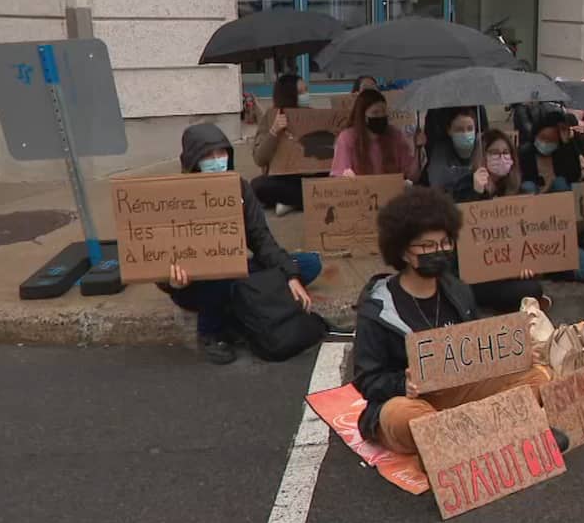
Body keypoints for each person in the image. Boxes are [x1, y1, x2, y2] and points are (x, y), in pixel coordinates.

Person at [351, 187, 555, 455]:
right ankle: (493, 430)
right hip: (414, 401)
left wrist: (509, 350)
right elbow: (367, 379)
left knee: (541, 377)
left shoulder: (458, 291)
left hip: (459, 393)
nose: (439, 251)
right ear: (402, 252)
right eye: (427, 246)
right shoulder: (377, 310)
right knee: (400, 417)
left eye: (445, 243)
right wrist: (403, 383)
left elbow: (477, 350)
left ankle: (452, 441)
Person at [162, 124, 321, 365]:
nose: (217, 161)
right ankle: (210, 333)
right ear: (193, 160)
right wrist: (172, 282)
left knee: (308, 264)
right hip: (196, 284)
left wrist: (290, 275)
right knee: (221, 272)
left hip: (233, 268)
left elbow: (261, 238)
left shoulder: (239, 188)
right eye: (208, 156)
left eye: (221, 153)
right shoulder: (175, 197)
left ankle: (239, 307)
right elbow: (156, 253)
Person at [454, 130, 548, 312]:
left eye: (506, 153)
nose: (501, 157)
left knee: (532, 285)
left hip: (506, 268)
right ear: (483, 156)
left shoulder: (517, 190)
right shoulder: (464, 185)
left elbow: (524, 235)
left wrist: (524, 262)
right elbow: (462, 233)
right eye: (494, 152)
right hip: (476, 273)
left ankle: (525, 303)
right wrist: (475, 193)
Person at [250, 74, 323, 216]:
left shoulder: (315, 115)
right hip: (284, 179)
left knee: (333, 182)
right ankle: (299, 201)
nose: (306, 95)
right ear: (290, 95)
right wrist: (274, 131)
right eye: (301, 93)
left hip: (311, 175)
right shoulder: (271, 118)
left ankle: (291, 202)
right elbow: (259, 159)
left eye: (306, 91)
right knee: (257, 186)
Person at [331, 89, 419, 180]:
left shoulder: (395, 136)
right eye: (375, 112)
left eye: (384, 112)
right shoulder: (347, 138)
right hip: (361, 191)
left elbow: (412, 175)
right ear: (363, 116)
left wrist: (418, 148)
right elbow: (340, 176)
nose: (380, 116)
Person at [519, 111, 583, 193]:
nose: (545, 143)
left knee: (560, 182)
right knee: (528, 186)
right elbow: (522, 178)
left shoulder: (565, 152)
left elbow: (575, 176)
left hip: (557, 193)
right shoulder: (525, 153)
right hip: (536, 193)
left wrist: (568, 143)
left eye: (551, 140)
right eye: (543, 138)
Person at [421, 107, 479, 193]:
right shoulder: (441, 149)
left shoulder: (481, 145)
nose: (466, 134)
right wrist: (472, 175)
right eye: (459, 129)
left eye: (470, 129)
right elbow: (437, 179)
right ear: (449, 130)